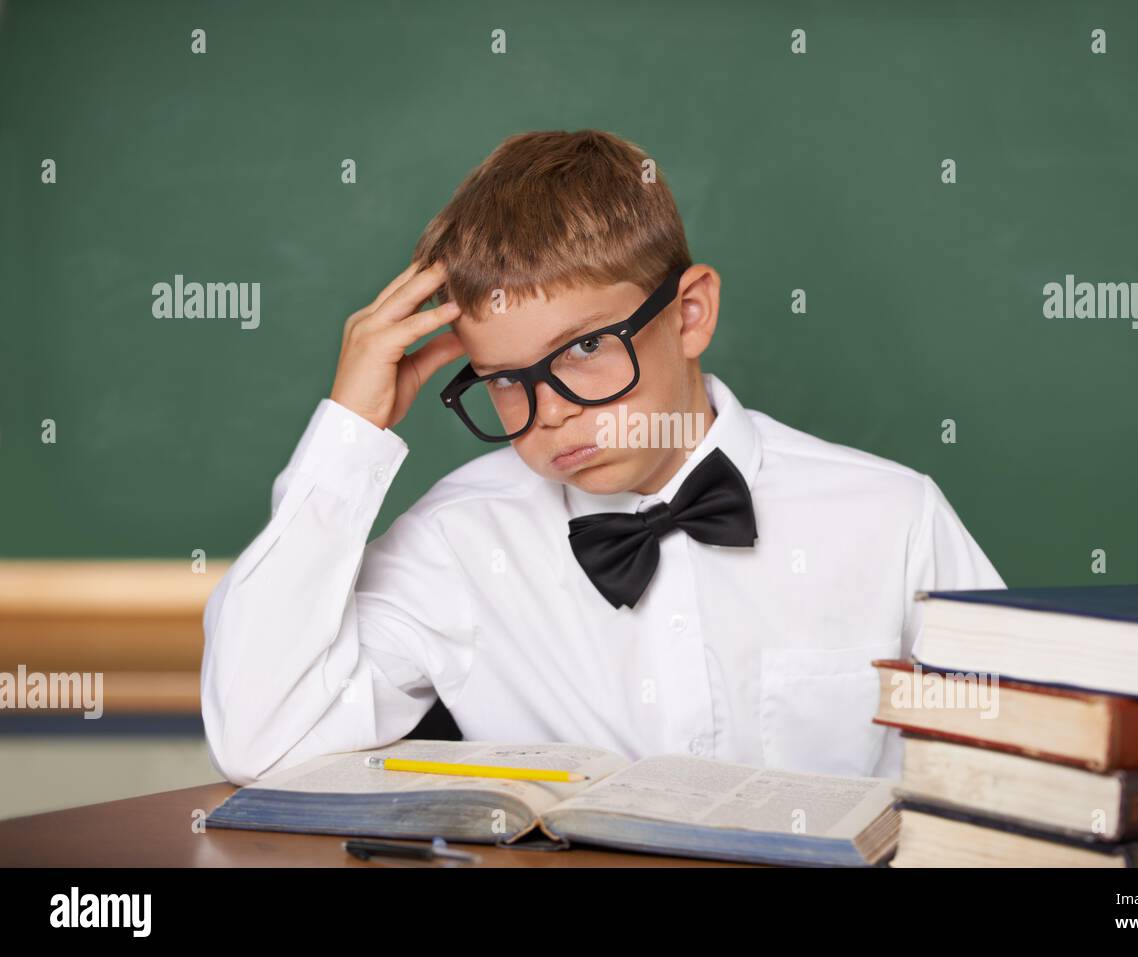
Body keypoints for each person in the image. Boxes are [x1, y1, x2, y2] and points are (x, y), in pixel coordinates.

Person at [200, 129, 1005, 787]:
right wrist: (349, 432)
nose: (548, 413)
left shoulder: (893, 518)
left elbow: (1019, 773)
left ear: (690, 313)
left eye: (585, 347)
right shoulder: (457, 542)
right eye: (504, 381)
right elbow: (262, 741)